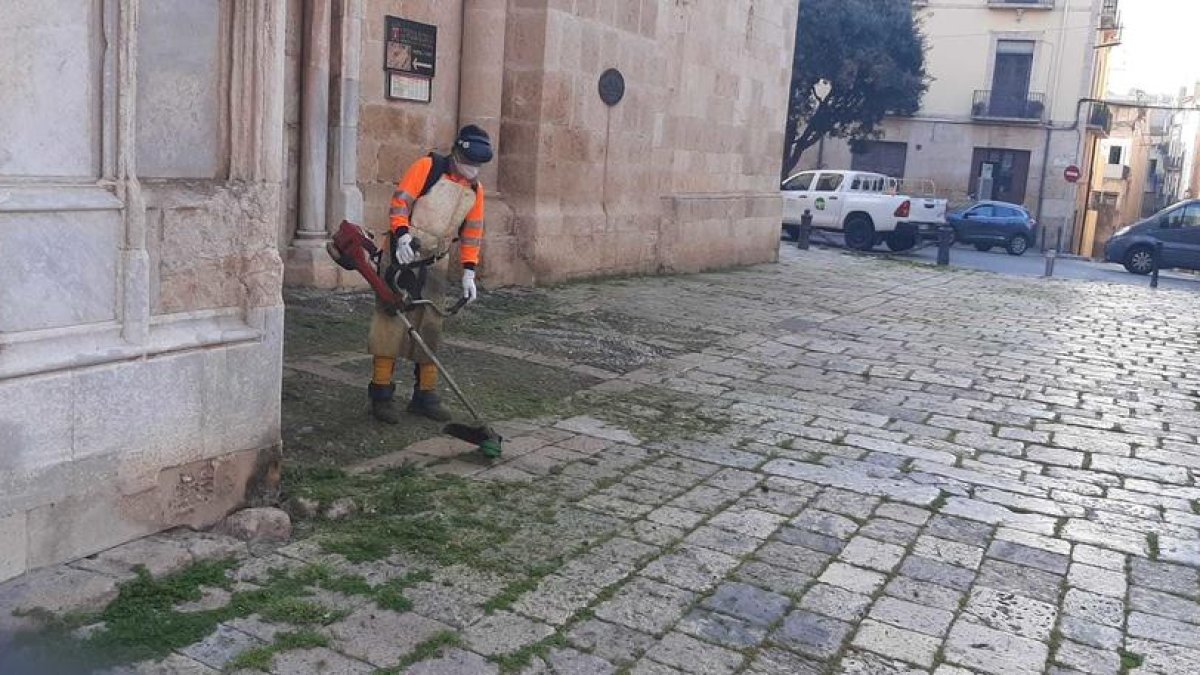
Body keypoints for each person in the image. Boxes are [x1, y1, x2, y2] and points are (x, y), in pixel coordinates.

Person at [367, 125, 492, 423]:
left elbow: (473, 232)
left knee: (430, 326)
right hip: (403, 255)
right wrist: (401, 234)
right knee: (390, 323)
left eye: (477, 165)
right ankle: (381, 394)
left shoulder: (475, 191)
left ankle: (425, 395)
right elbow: (401, 201)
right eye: (469, 162)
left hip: (435, 261)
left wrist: (469, 271)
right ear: (457, 153)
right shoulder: (428, 167)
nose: (472, 170)